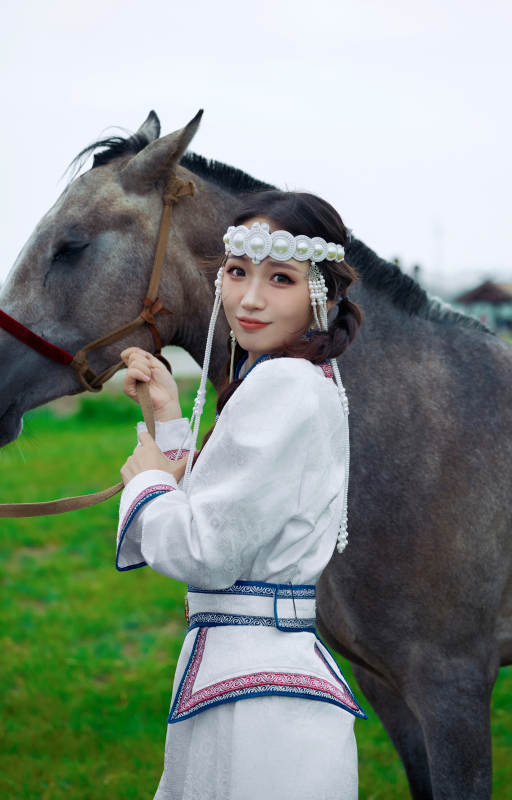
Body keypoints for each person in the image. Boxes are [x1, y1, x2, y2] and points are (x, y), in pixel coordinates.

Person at [117, 190, 367, 799]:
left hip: (256, 707)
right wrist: (170, 419)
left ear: (321, 295)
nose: (249, 298)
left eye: (280, 278)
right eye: (236, 272)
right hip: (259, 684)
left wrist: (147, 483)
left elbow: (203, 552)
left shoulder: (283, 384)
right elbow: (232, 508)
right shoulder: (299, 378)